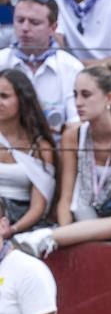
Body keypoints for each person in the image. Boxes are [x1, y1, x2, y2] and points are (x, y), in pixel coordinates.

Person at [12, 62, 111, 258]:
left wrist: (94, 231)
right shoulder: (73, 135)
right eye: (75, 94)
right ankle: (55, 236)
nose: (78, 103)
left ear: (109, 98)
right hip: (84, 213)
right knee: (72, 211)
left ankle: (49, 236)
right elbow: (66, 199)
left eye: (86, 95)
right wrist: (68, 228)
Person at [0, 0, 83, 131]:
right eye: (20, 20)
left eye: (34, 22)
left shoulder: (72, 68)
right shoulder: (2, 60)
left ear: (53, 28)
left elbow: (76, 125)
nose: (25, 28)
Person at [0, 69, 56, 239]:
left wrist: (12, 230)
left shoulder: (40, 148)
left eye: (4, 96)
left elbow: (38, 207)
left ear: (23, 100)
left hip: (20, 221)